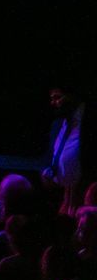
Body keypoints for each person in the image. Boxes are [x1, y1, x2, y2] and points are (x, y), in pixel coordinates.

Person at [44, 86, 91, 215]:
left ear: (72, 96)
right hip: (60, 194)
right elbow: (51, 153)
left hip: (85, 195)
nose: (53, 103)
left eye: (58, 97)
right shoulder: (58, 123)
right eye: (52, 98)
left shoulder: (89, 120)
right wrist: (47, 170)